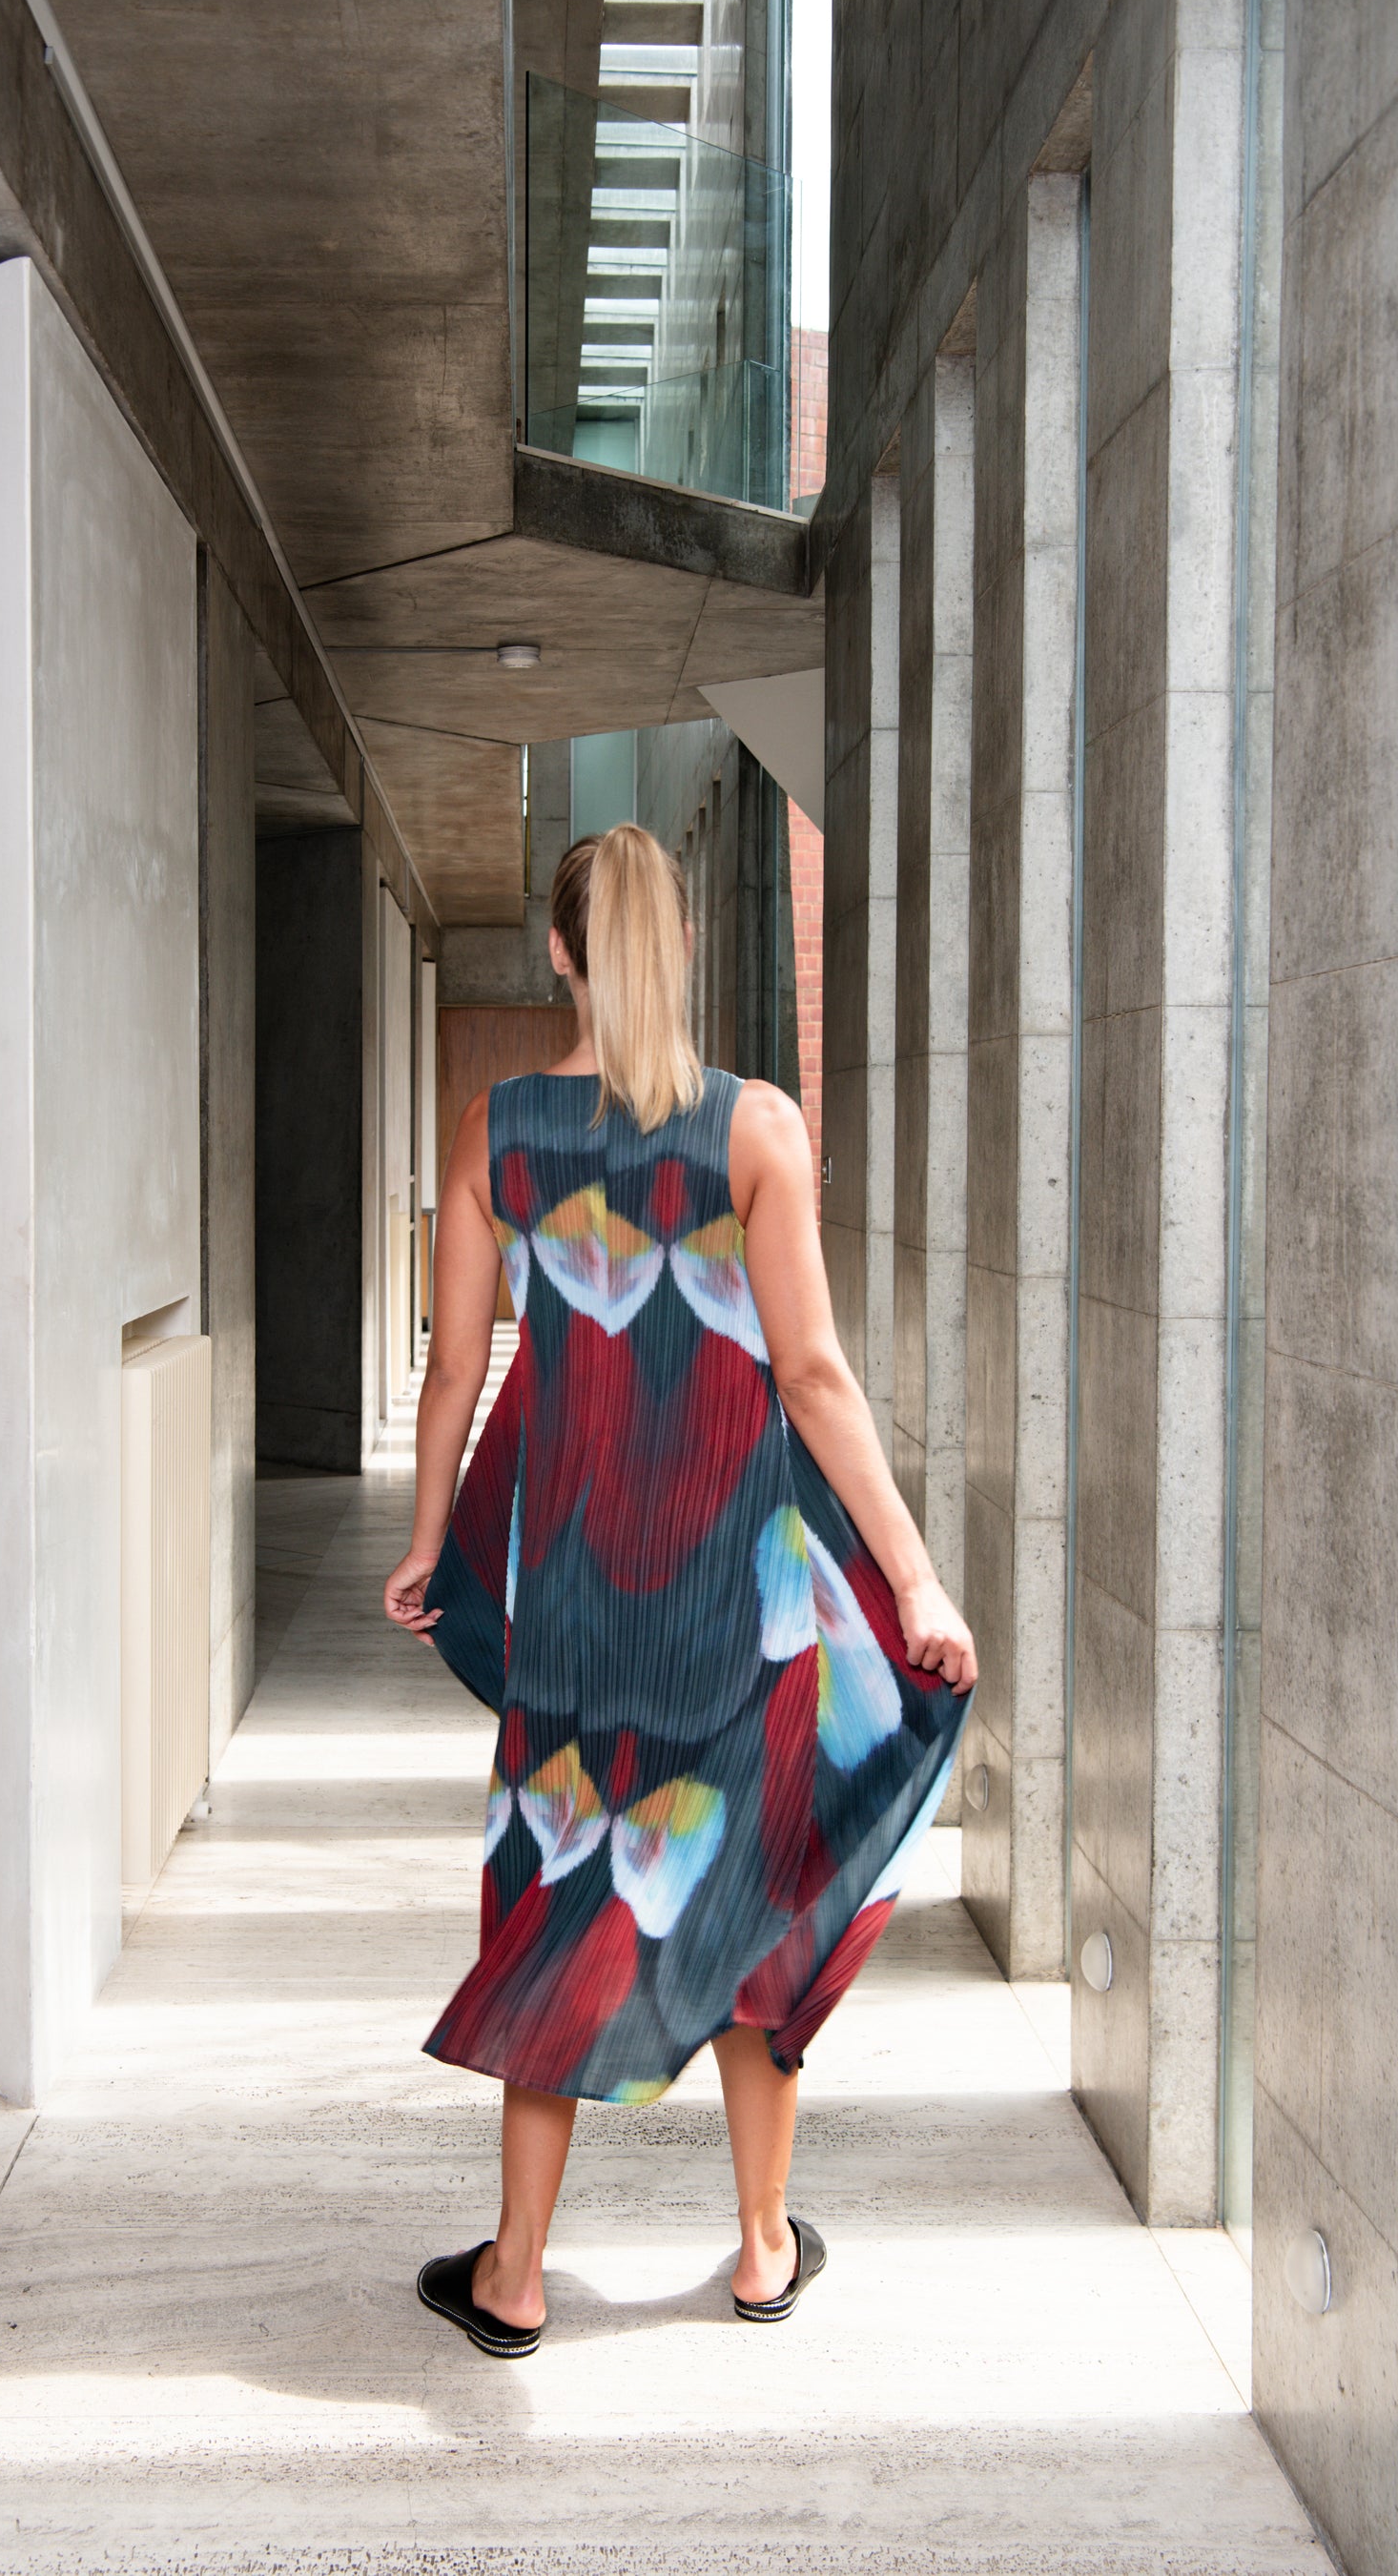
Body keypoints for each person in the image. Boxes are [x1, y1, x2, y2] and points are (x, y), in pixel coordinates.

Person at [383, 824, 976, 2359]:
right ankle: (765, 2249)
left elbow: (454, 1371)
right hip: (742, 1600)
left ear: (560, 950)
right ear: (685, 943)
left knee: (557, 1894)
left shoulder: (497, 1130)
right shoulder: (753, 1127)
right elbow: (813, 1377)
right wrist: (913, 1582)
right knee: (756, 1889)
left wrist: (429, 1538)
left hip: (575, 1602)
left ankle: (516, 2275)